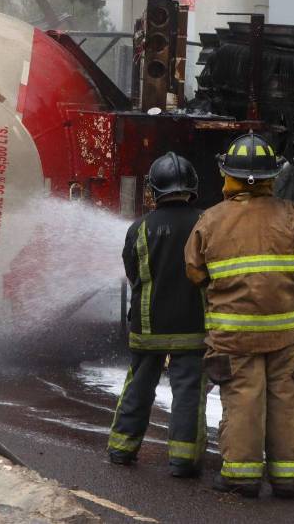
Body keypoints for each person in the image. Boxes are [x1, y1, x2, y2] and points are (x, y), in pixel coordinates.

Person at [185, 132, 294, 499]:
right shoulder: (290, 214)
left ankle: (242, 477)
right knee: (287, 400)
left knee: (244, 399)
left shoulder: (210, 221)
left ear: (227, 174)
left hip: (234, 334)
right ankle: (287, 478)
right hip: (288, 334)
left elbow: (194, 271)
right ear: (270, 178)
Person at [107, 152, 208, 477]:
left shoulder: (139, 228)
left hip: (147, 325)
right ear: (192, 186)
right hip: (193, 326)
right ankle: (182, 460)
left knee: (138, 386)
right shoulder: (206, 223)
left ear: (154, 189)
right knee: (188, 392)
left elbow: (133, 274)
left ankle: (122, 449)